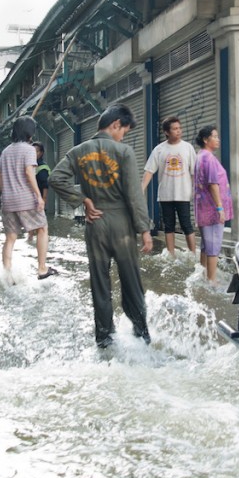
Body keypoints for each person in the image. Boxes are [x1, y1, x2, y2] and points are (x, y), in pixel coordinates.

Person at [51, 104, 154, 347]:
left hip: (94, 223)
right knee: (131, 281)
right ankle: (141, 335)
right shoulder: (124, 152)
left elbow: (56, 178)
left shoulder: (78, 151)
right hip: (121, 226)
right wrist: (145, 230)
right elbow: (134, 195)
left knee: (99, 282)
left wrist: (82, 201)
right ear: (116, 124)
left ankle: (104, 338)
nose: (123, 136)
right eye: (124, 131)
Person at [0, 116, 52, 280]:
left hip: (8, 201)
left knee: (10, 238)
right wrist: (39, 196)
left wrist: (6, 189)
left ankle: (7, 275)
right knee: (42, 228)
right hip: (26, 199)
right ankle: (41, 268)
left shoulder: (6, 150)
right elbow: (29, 173)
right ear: (30, 132)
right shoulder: (29, 149)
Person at [142, 116, 197, 257]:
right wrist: (141, 188)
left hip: (183, 194)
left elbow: (194, 172)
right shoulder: (159, 150)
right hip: (166, 195)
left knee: (186, 225)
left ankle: (193, 255)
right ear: (167, 132)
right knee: (169, 226)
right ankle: (171, 255)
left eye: (180, 128)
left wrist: (196, 190)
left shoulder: (188, 148)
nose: (178, 131)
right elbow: (149, 171)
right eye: (175, 129)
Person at [193, 125, 232, 283]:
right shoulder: (208, 158)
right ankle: (212, 281)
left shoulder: (201, 156)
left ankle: (203, 276)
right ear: (205, 139)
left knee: (206, 245)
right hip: (211, 210)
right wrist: (220, 208)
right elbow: (213, 184)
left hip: (204, 208)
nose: (218, 139)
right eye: (214, 136)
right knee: (214, 246)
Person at [28, 142, 50, 244]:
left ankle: (37, 241)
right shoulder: (30, 166)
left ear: (41, 153)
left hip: (39, 199)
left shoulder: (42, 168)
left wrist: (43, 200)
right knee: (31, 224)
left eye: (36, 151)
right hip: (29, 199)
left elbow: (45, 185)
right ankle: (30, 240)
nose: (33, 153)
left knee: (39, 225)